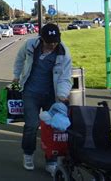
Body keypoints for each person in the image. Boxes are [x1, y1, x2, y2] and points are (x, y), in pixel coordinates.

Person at [12, 23, 72, 175]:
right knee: (32, 124)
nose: (52, 45)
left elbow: (65, 77)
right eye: (48, 42)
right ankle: (28, 154)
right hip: (30, 92)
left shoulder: (63, 52)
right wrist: (16, 75)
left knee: (52, 128)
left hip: (51, 95)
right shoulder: (30, 45)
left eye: (54, 42)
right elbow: (20, 59)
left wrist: (62, 94)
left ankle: (51, 160)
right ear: (41, 39)